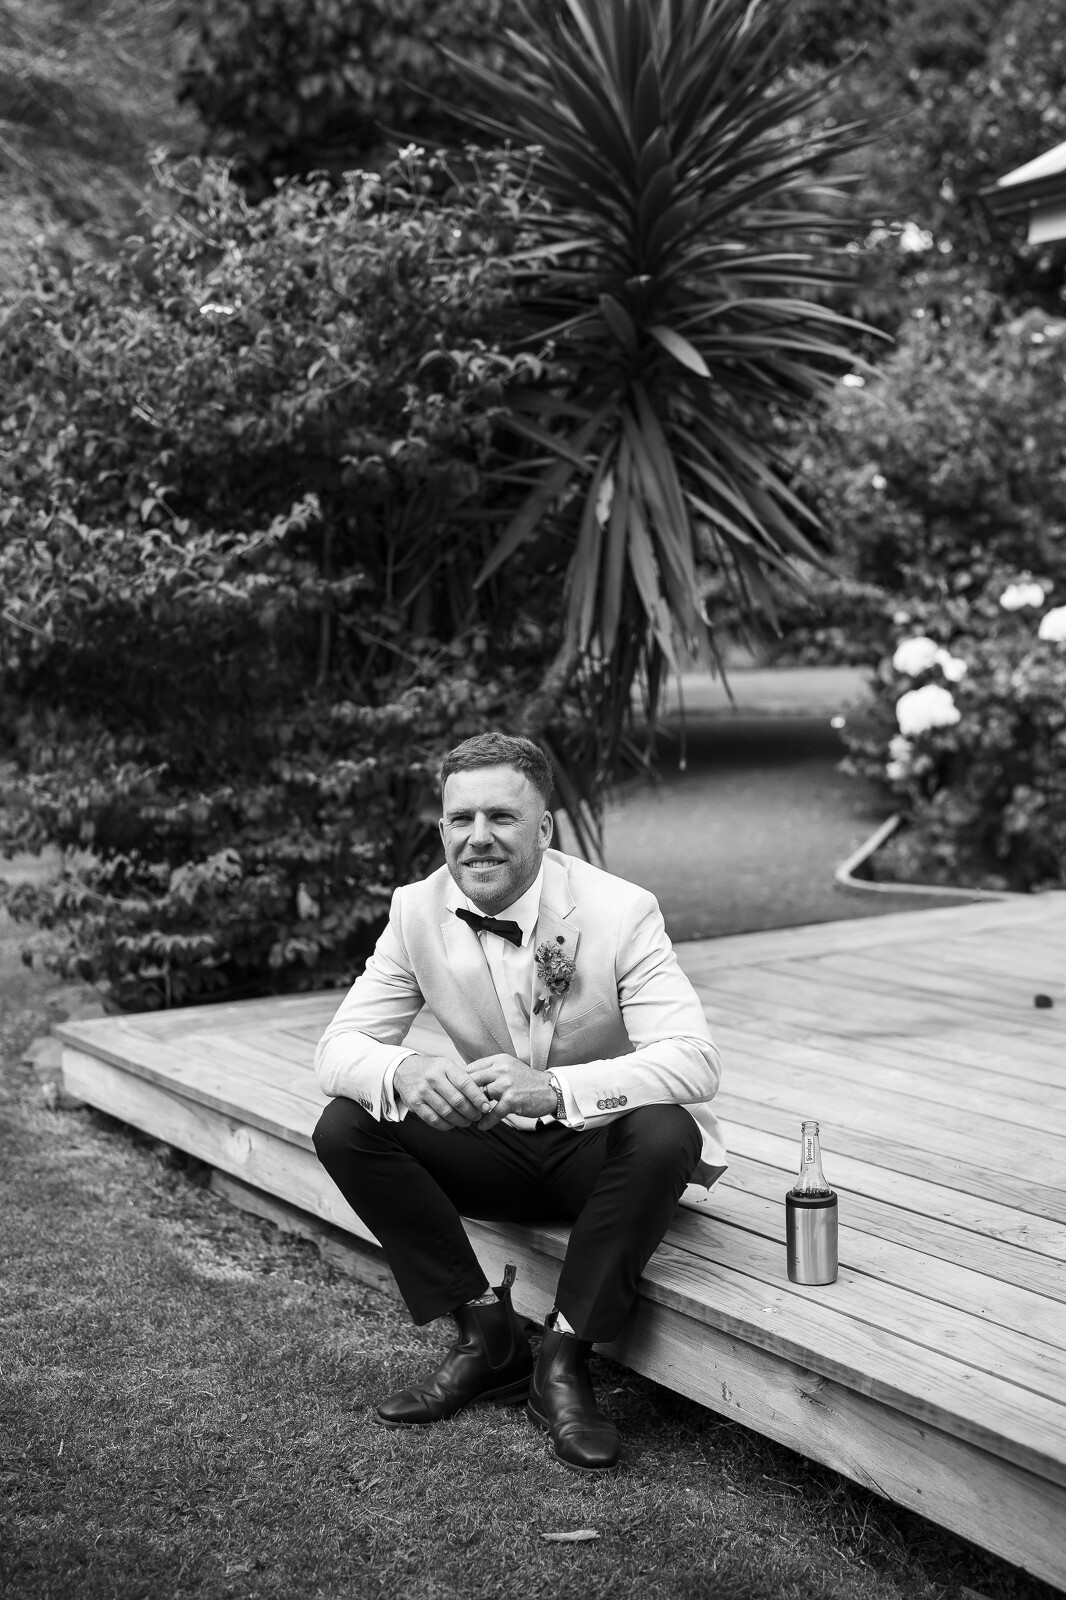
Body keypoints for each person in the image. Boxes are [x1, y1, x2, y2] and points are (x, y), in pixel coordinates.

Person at [312, 732, 726, 1472]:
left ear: (543, 828)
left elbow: (694, 1060)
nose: (478, 837)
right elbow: (337, 1049)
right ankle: (486, 1337)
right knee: (346, 1123)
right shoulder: (415, 911)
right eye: (460, 819)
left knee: (668, 1132)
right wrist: (405, 1070)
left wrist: (558, 1088)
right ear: (442, 828)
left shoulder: (622, 910)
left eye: (501, 817)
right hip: (493, 1147)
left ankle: (563, 1358)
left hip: (599, 1157)